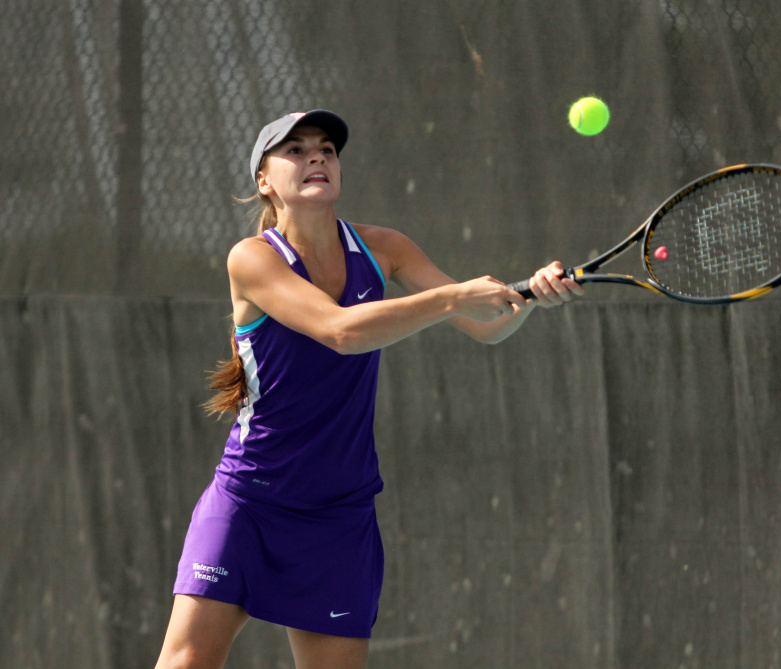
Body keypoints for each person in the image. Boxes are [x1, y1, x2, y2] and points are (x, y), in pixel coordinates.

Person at [154, 110, 583, 669]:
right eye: (296, 150)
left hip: (339, 515)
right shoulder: (252, 258)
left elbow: (485, 326)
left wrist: (529, 299)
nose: (316, 158)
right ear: (264, 180)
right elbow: (341, 331)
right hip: (248, 501)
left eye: (327, 150)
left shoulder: (384, 249)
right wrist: (453, 297)